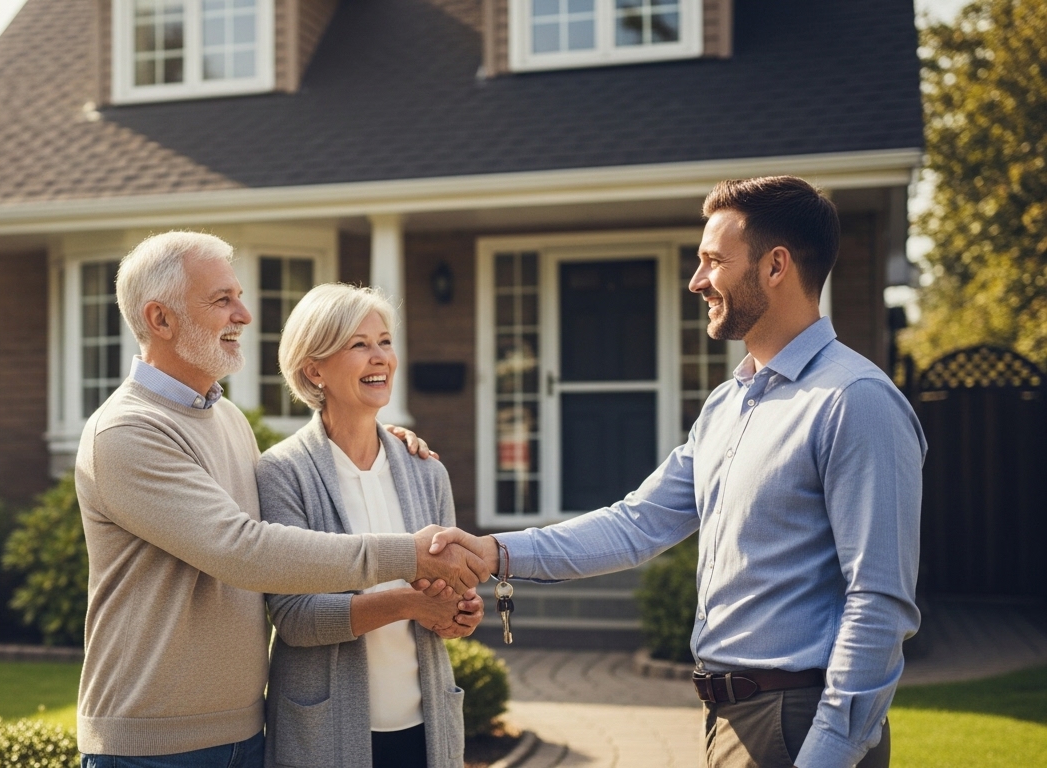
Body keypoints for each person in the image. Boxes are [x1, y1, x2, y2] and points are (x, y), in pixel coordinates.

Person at [434, 176, 926, 768]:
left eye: (714, 260)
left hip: (798, 723)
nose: (696, 280)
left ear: (776, 266)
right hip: (729, 720)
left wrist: (830, 750)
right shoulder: (728, 405)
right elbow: (636, 524)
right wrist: (495, 552)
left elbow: (877, 601)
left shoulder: (855, 400)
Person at [74, 231, 489, 768]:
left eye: (239, 297)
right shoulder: (127, 431)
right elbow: (243, 550)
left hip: (244, 732)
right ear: (161, 319)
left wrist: (386, 441)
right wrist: (409, 557)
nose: (244, 315)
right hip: (153, 746)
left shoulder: (226, 420)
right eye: (222, 299)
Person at [258, 284, 480, 768]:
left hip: (427, 729)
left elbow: (450, 596)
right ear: (314, 369)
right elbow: (295, 619)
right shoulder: (282, 473)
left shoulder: (427, 471)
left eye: (385, 342)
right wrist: (410, 603)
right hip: (326, 733)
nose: (380, 357)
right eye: (359, 344)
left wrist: (459, 613)